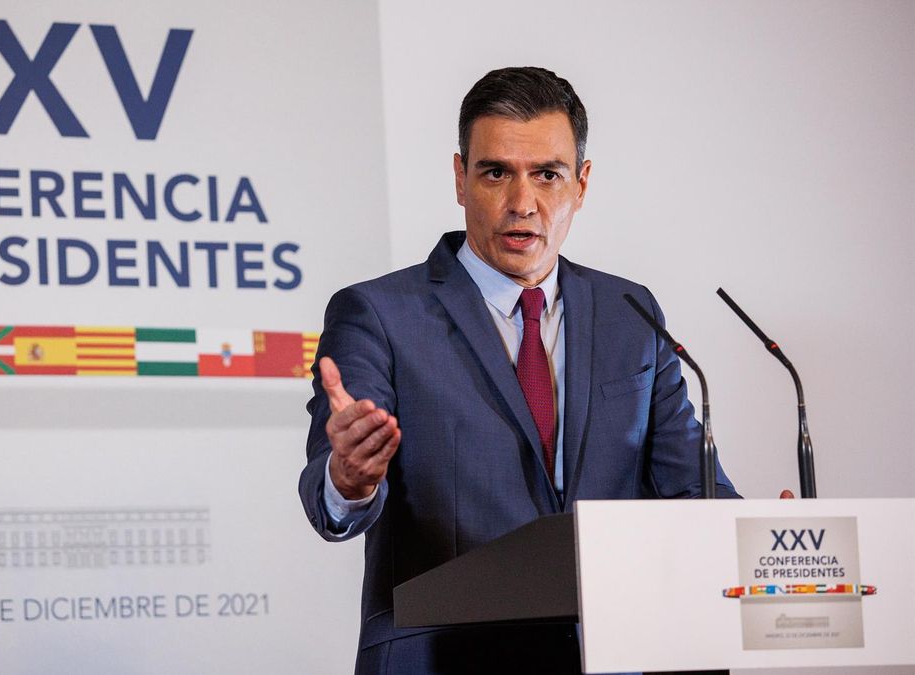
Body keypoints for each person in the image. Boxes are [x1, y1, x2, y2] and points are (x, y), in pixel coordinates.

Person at [297, 67, 740, 674]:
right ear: (460, 178)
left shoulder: (630, 314)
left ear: (581, 184)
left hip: (614, 658)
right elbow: (331, 494)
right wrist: (350, 478)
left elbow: (692, 489)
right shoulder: (379, 313)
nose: (521, 203)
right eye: (496, 172)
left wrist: (763, 538)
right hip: (443, 660)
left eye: (548, 175)